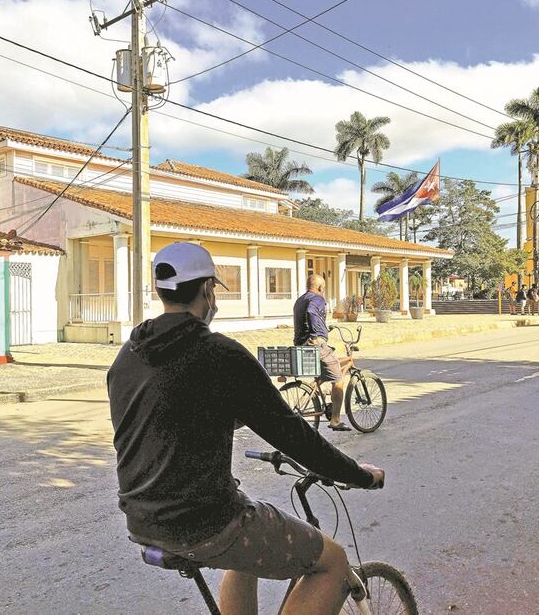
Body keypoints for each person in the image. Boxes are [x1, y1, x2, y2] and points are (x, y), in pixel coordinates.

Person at [107, 243, 384, 615]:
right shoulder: (221, 354)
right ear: (207, 290)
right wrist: (357, 475)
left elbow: (153, 424)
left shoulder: (128, 356)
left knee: (245, 546)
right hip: (205, 522)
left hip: (142, 519)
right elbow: (293, 435)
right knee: (332, 562)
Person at [293, 274, 352, 431]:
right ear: (320, 287)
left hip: (300, 344)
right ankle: (335, 419)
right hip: (314, 344)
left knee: (326, 368)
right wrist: (315, 335)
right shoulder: (317, 299)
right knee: (338, 378)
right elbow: (312, 313)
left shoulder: (300, 300)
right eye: (323, 288)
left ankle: (318, 390)